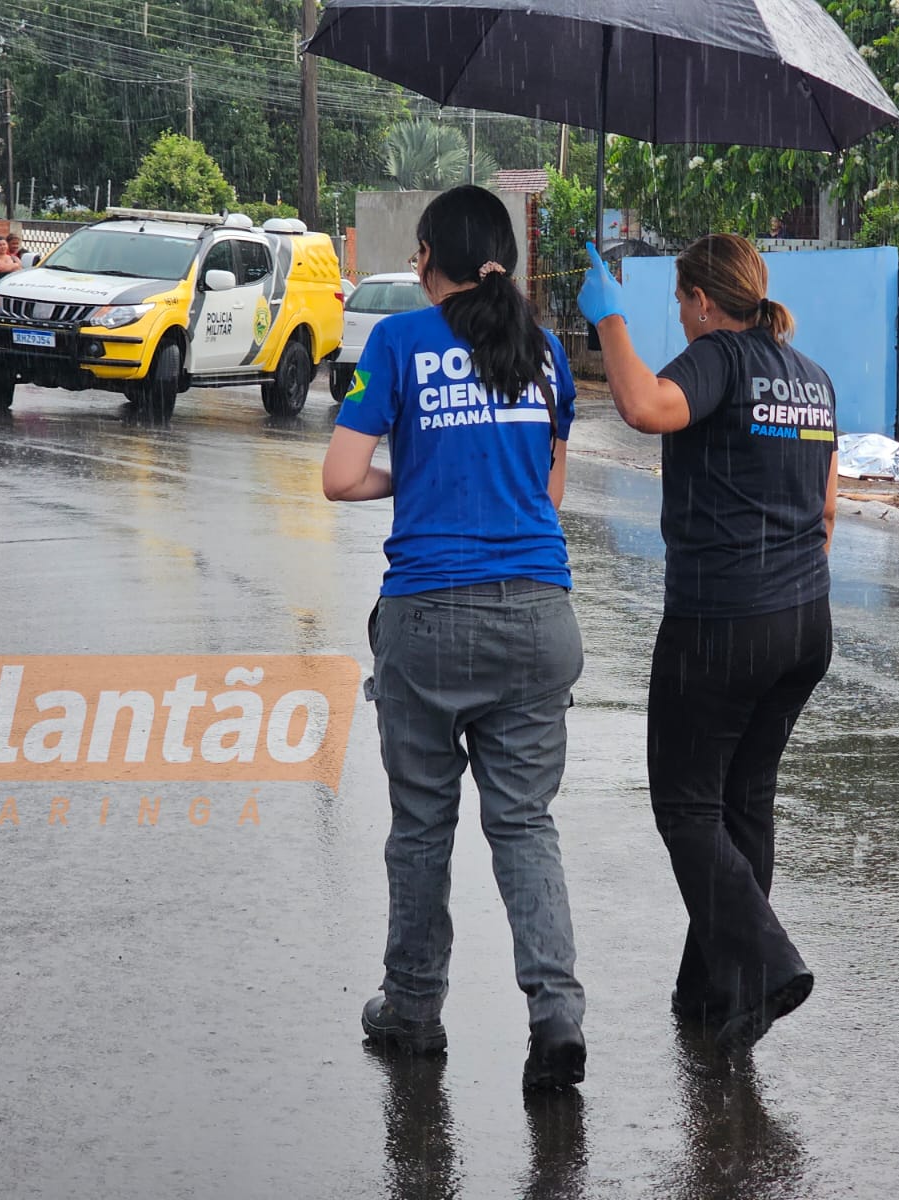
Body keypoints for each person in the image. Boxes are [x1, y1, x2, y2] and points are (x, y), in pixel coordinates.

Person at [321, 184, 588, 1090]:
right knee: (523, 825)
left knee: (423, 825)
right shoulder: (546, 351)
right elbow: (547, 499)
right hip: (542, 616)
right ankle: (556, 1017)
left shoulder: (396, 343)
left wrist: (419, 475)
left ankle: (413, 1011)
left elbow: (340, 477)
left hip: (431, 618)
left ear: (428, 256)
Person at [577, 233, 837, 1055]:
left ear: (700, 300)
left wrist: (610, 323)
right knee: (742, 803)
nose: (679, 316)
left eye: (678, 303)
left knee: (686, 807)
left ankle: (766, 963)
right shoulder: (812, 380)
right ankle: (713, 989)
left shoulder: (719, 355)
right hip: (805, 623)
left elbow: (645, 408)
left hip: (724, 620)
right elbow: (828, 514)